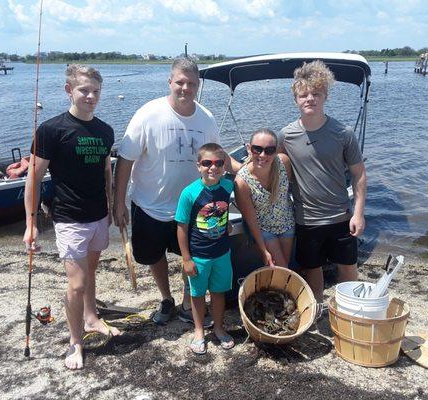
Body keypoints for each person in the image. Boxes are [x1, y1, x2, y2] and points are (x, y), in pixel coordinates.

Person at [113, 57, 240, 326]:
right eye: (180, 82)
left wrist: (246, 171)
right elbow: (125, 160)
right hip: (150, 204)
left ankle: (186, 301)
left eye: (191, 84)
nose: (185, 88)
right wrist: (118, 202)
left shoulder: (206, 118)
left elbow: (219, 157)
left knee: (192, 256)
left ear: (198, 85)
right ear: (170, 81)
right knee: (153, 255)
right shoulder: (148, 113)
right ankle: (166, 298)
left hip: (194, 205)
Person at [23, 64, 117, 370]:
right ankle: (75, 342)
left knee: (90, 273)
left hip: (99, 215)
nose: (91, 96)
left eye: (96, 91)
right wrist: (31, 224)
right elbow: (33, 180)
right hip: (69, 218)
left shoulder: (105, 130)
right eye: (84, 90)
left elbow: (106, 173)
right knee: (76, 284)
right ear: (69, 90)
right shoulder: (51, 130)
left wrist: (114, 206)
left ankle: (91, 317)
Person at [279, 60, 367, 304]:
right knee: (312, 268)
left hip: (340, 216)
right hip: (306, 219)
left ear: (325, 96)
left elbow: (359, 174)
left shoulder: (343, 133)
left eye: (316, 93)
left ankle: (350, 307)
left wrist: (358, 214)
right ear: (296, 99)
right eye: (304, 94)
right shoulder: (286, 135)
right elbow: (267, 163)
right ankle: (316, 305)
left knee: (348, 267)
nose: (310, 99)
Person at [175, 143, 235, 354]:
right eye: (207, 163)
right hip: (199, 256)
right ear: (198, 166)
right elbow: (181, 228)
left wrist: (226, 223)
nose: (213, 168)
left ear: (224, 166)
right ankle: (199, 331)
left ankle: (218, 328)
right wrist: (186, 259)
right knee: (198, 294)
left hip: (222, 253)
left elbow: (246, 182)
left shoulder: (227, 186)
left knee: (219, 293)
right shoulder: (189, 193)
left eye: (218, 163)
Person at [234, 129, 294, 267]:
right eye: (257, 149)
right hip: (264, 229)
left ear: (276, 150)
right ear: (249, 148)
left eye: (269, 150)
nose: (262, 155)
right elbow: (251, 220)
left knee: (285, 267)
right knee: (281, 268)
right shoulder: (242, 181)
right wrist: (263, 250)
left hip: (288, 223)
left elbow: (293, 190)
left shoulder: (284, 162)